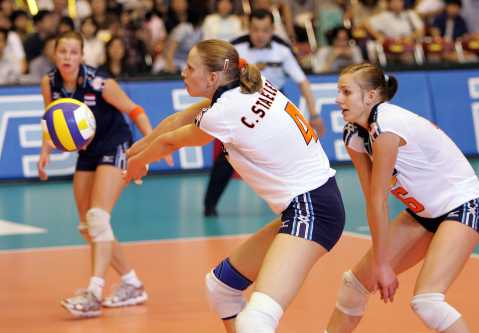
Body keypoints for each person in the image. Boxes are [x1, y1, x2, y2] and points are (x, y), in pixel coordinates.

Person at [125, 39, 345, 333]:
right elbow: (178, 120)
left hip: (313, 209)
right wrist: (133, 153)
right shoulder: (246, 87)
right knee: (221, 287)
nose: (183, 72)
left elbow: (171, 141)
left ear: (213, 77)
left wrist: (138, 165)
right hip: (308, 205)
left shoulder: (225, 111)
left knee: (256, 319)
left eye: (190, 68)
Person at [326, 63, 479, 333]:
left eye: (346, 92)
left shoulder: (387, 126)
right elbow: (371, 198)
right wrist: (379, 264)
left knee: (427, 302)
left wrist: (382, 265)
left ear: (370, 96)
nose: (338, 99)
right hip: (422, 214)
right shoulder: (354, 133)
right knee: (353, 286)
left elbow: (380, 199)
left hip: (462, 207)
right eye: (338, 92)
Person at [37, 31, 151, 318]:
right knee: (87, 226)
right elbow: (51, 122)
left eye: (74, 52)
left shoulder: (99, 82)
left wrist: (152, 147)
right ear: (55, 54)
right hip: (87, 151)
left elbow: (135, 110)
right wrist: (45, 153)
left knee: (98, 217)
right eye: (63, 52)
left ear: (82, 56)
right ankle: (131, 283)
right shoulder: (49, 83)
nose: (68, 57)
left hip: (115, 143)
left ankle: (94, 292)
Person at [203, 8, 324, 217]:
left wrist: (314, 114)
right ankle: (210, 205)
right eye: (256, 30)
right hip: (238, 107)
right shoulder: (234, 48)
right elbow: (217, 78)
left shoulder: (282, 50)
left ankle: (292, 203)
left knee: (285, 156)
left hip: (272, 108)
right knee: (226, 157)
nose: (260, 35)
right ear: (248, 28)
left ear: (273, 30)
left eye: (265, 30)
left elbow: (302, 82)